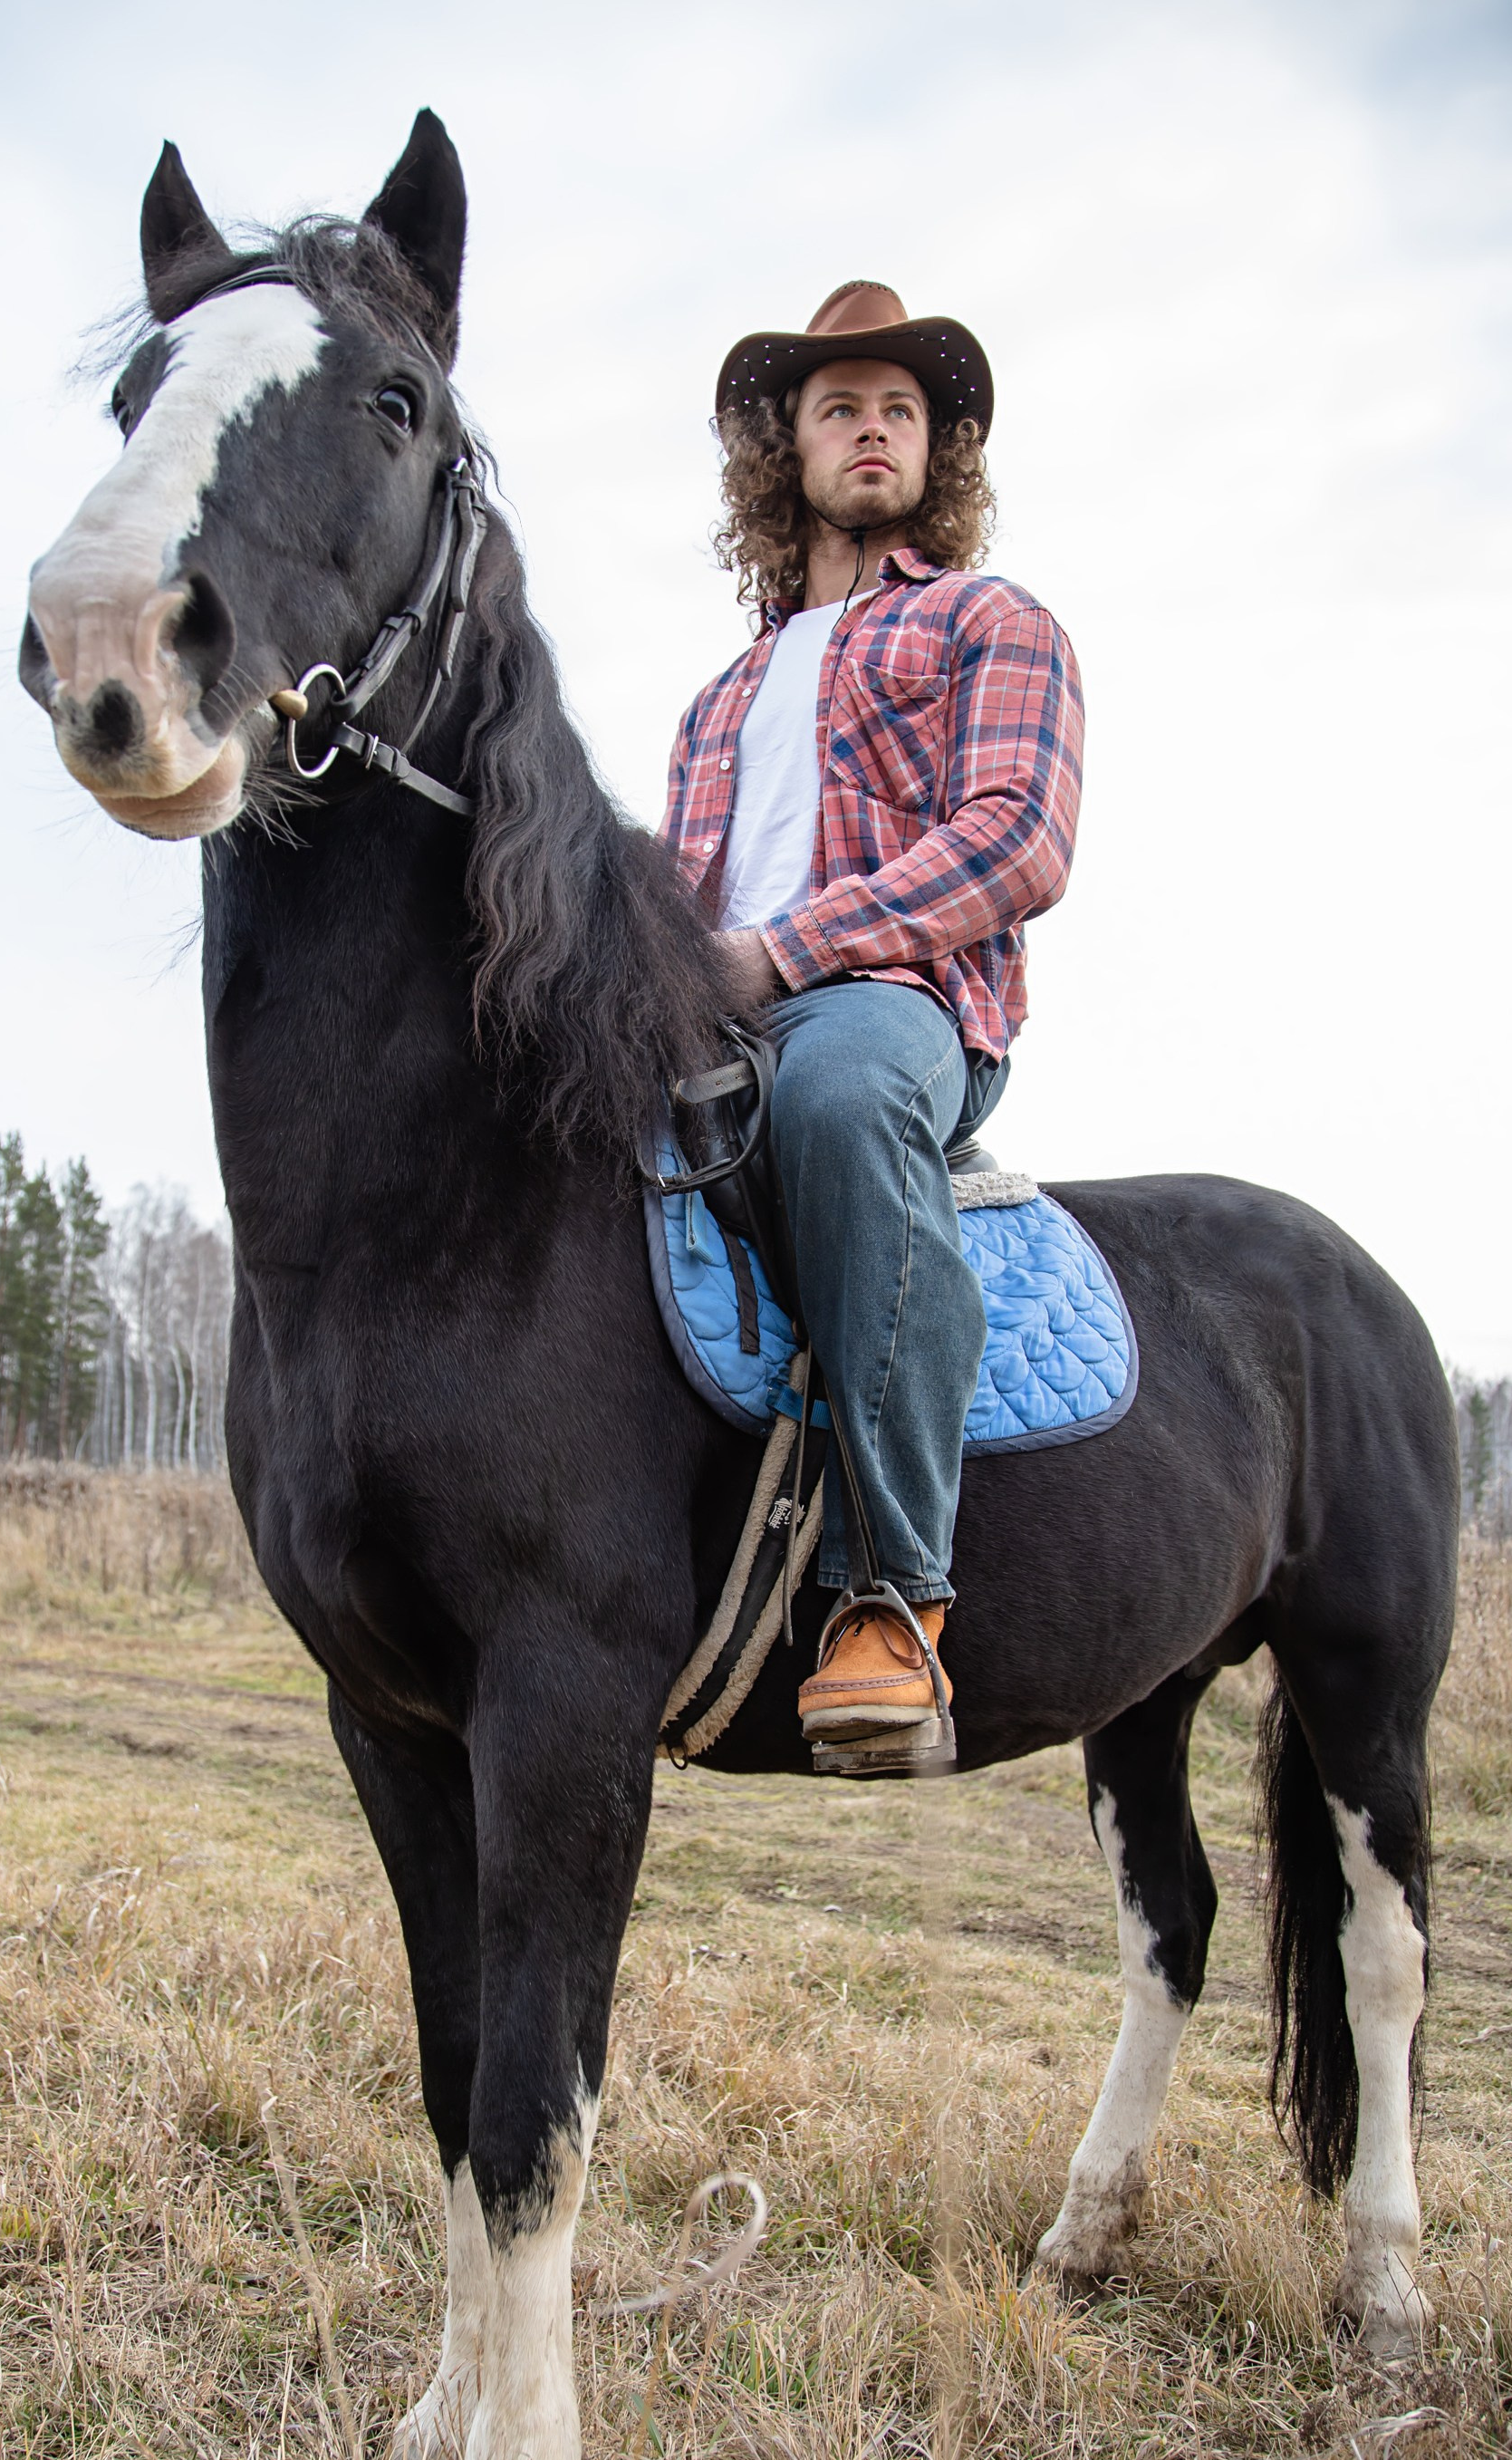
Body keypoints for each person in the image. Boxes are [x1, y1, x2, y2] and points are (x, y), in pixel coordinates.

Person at [661, 282, 1085, 1761]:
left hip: (896, 1013)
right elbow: (672, 897)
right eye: (840, 406)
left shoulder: (988, 620)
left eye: (900, 409)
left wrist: (787, 951)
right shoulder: (718, 698)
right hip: (710, 1021)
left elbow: (1019, 834)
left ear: (932, 453)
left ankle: (891, 1601)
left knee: (839, 1101)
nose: (872, 429)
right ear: (788, 449)